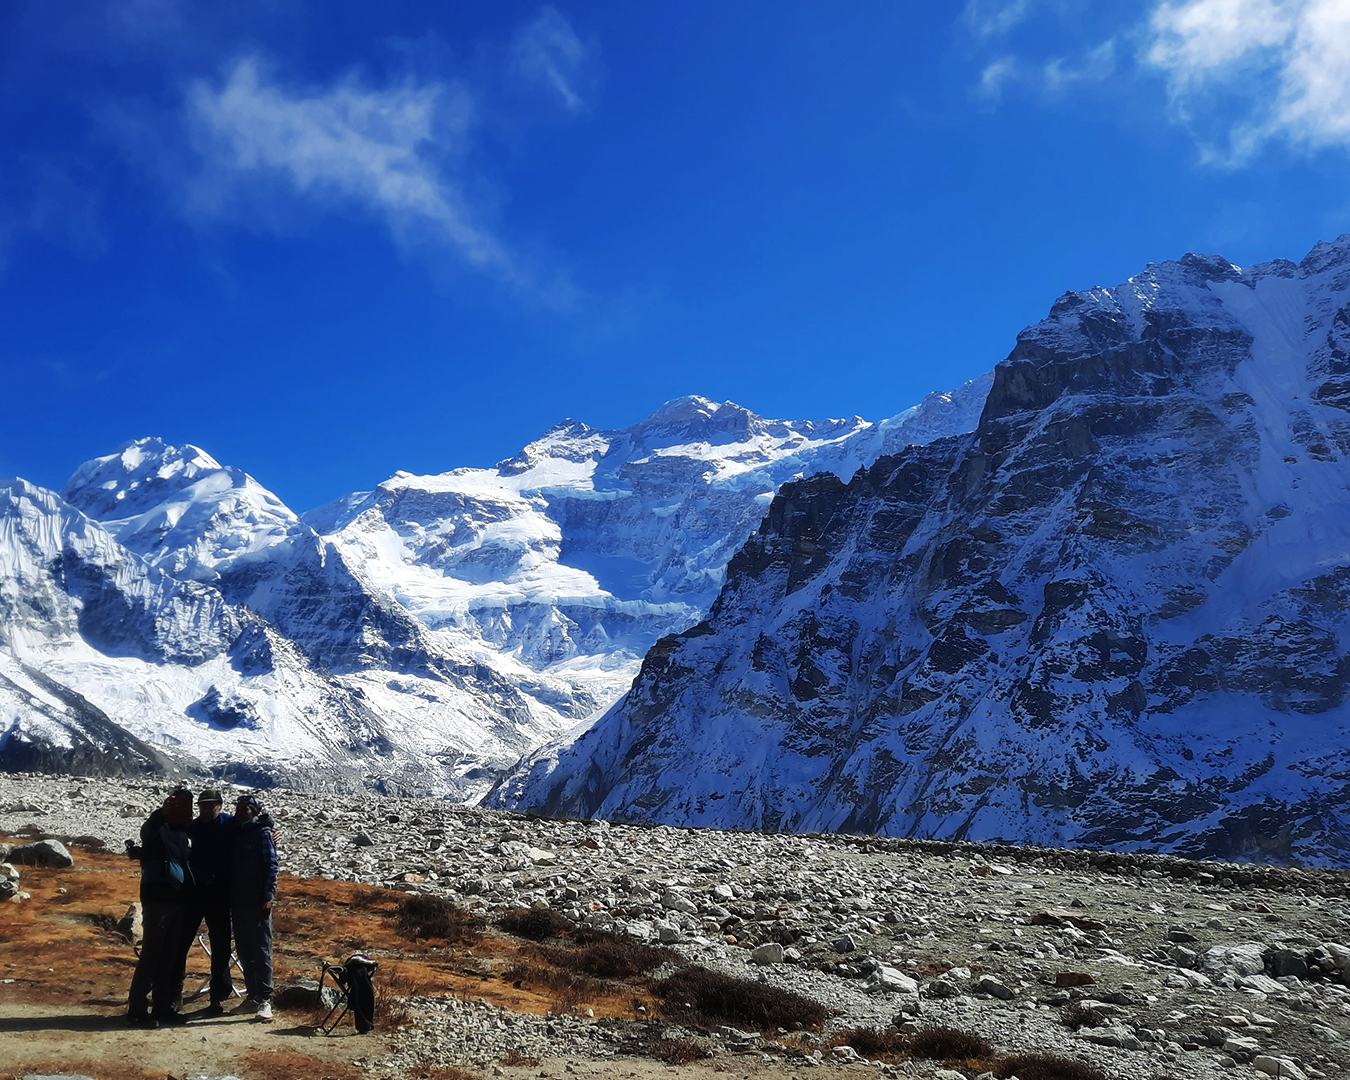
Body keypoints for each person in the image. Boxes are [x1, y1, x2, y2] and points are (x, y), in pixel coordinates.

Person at [126, 787, 194, 1028]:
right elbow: (148, 830)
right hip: (157, 899)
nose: (181, 809)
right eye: (177, 804)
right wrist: (161, 812)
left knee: (168, 954)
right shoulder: (158, 827)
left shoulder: (184, 832)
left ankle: (162, 1006)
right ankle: (136, 1008)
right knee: (152, 953)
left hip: (178, 899)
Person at [174, 788, 236, 1017]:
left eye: (211, 805)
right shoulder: (191, 828)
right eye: (203, 806)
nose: (207, 809)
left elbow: (253, 827)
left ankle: (218, 998)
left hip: (219, 895)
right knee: (182, 944)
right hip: (194, 894)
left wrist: (270, 831)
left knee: (221, 947)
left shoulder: (230, 825)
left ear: (219, 805)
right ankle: (175, 994)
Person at [230, 794, 278, 1022]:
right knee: (244, 950)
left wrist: (268, 895)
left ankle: (265, 999)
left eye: (245, 809)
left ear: (254, 812)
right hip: (237, 901)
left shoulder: (262, 833)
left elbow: (271, 865)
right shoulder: (236, 833)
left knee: (261, 950)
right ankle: (252, 996)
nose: (240, 812)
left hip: (257, 901)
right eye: (238, 808)